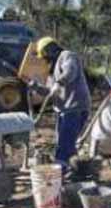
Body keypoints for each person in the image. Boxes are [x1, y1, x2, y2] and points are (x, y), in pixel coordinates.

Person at [35, 36, 91, 179]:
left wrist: (58, 83)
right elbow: (49, 91)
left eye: (45, 55)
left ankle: (59, 175)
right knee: (66, 142)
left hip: (76, 106)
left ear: (50, 50)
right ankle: (77, 172)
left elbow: (70, 73)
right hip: (63, 109)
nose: (44, 59)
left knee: (64, 144)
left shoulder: (68, 56)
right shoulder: (52, 69)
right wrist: (33, 86)